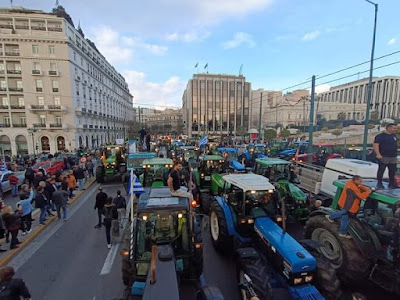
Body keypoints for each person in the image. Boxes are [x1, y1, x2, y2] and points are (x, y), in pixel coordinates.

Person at [373, 123, 399, 189]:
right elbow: (376, 145)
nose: (395, 130)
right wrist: (378, 154)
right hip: (384, 156)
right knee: (381, 170)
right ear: (389, 128)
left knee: (392, 171)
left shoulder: (394, 136)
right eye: (394, 128)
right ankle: (379, 183)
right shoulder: (380, 136)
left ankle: (391, 184)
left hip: (393, 156)